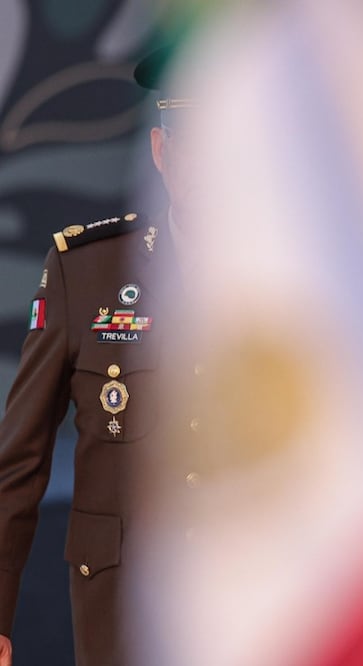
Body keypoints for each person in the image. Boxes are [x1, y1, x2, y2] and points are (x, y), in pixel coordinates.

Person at [0, 46, 194, 666]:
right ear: (162, 153)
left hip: (268, 602)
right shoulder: (88, 271)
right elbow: (20, 460)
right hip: (122, 611)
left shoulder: (303, 273)